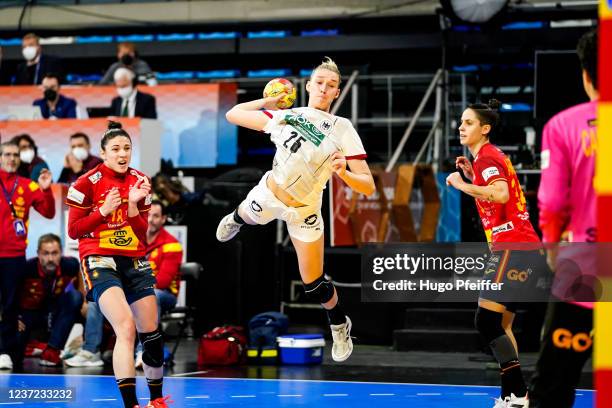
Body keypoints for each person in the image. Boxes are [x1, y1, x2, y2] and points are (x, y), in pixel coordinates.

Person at [216, 57, 375, 362]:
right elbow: (233, 114)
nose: (324, 89)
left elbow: (367, 185)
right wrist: (269, 101)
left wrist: (344, 172)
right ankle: (235, 218)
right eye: (319, 83)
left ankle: (339, 324)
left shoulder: (343, 129)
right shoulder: (287, 116)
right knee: (246, 214)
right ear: (308, 86)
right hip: (270, 193)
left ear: (337, 93)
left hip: (305, 210)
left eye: (331, 86)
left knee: (313, 283)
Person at [446, 99, 548, 408]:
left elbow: (501, 193)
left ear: (485, 129)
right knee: (501, 324)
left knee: (486, 322)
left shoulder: (487, 156)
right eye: (461, 122)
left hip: (514, 247)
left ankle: (517, 391)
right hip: (524, 247)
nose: (461, 127)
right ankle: (513, 396)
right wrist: (474, 175)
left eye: (469, 123)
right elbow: (496, 191)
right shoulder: (486, 158)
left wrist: (463, 185)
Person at [66, 121, 170, 408]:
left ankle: (157, 400)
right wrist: (104, 210)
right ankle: (130, 405)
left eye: (127, 148)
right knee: (125, 327)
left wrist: (134, 205)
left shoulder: (140, 181)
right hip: (99, 257)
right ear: (103, 153)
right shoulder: (85, 183)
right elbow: (74, 230)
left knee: (151, 334)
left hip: (134, 258)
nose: (122, 154)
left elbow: (140, 232)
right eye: (115, 149)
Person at [528, 29, 598, 408]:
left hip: (584, 273)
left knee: (553, 387)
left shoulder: (563, 126)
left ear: (586, 75)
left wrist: (553, 249)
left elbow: (552, 201)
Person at [0, 141, 55, 370]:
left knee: (10, 306)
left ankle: (5, 352)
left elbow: (49, 212)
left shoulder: (27, 186)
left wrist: (46, 189)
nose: (12, 158)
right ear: (0, 157)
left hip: (14, 255)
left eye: (15, 155)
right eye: (7, 154)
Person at [16, 234, 82, 367]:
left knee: (76, 297)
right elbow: (10, 294)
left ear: (61, 253)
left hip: (58, 310)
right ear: (38, 254)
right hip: (30, 314)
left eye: (54, 253)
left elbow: (79, 272)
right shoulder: (25, 268)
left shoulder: (70, 264)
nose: (50, 258)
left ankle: (52, 350)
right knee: (14, 354)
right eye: (45, 253)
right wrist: (14, 317)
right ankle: (36, 346)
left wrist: (85, 299)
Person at [135, 200, 182, 369]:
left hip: (165, 294)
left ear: (163, 219)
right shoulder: (134, 241)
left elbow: (163, 281)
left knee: (149, 297)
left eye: (155, 216)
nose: (150, 220)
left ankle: (144, 352)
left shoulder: (172, 244)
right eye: (147, 215)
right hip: (138, 291)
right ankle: (92, 351)